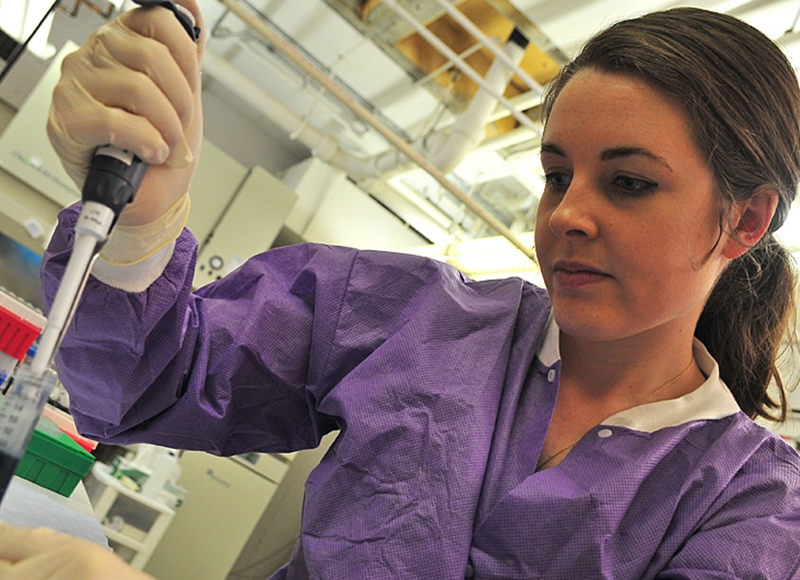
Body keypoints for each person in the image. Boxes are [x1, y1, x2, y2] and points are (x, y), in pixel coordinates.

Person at [1, 3, 799, 579]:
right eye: (556, 175)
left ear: (744, 221)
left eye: (628, 182)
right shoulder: (418, 321)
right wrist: (138, 231)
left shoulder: (752, 506)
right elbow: (152, 382)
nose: (567, 215)